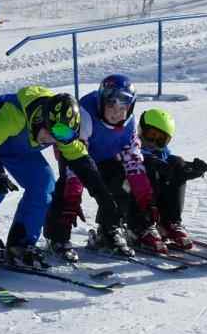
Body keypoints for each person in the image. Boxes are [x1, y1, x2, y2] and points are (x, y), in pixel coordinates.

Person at [0, 85, 120, 280]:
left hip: (19, 142)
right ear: (40, 120)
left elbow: (82, 162)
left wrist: (104, 199)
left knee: (44, 185)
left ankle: (21, 245)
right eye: (51, 132)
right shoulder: (15, 114)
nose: (53, 139)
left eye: (60, 135)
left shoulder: (60, 127)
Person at [41, 73, 163, 257]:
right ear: (101, 102)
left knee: (120, 181)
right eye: (111, 105)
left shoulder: (129, 124)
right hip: (76, 158)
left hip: (105, 160)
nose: (116, 113)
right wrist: (73, 198)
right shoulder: (86, 115)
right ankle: (57, 236)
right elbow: (76, 163)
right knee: (66, 191)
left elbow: (134, 164)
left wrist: (146, 201)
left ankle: (109, 230)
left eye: (122, 108)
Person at [135, 107, 207, 251]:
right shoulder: (130, 148)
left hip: (157, 203)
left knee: (177, 163)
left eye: (161, 140)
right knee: (149, 167)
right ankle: (143, 227)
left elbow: (172, 166)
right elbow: (138, 160)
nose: (153, 142)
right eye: (151, 135)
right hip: (133, 203)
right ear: (141, 130)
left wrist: (191, 169)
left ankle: (170, 223)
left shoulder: (163, 155)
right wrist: (153, 163)